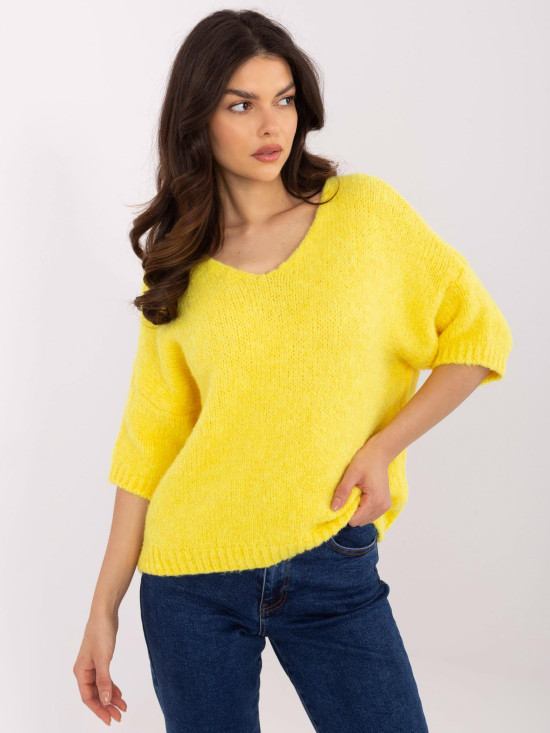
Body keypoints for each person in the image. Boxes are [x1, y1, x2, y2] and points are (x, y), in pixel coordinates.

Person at [73, 9, 513, 732]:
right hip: (190, 579)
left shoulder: (363, 214)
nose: (270, 124)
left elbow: (477, 334)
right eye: (240, 105)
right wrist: (102, 609)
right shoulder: (180, 265)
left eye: (283, 99)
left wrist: (383, 447)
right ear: (197, 119)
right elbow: (148, 447)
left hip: (330, 555)